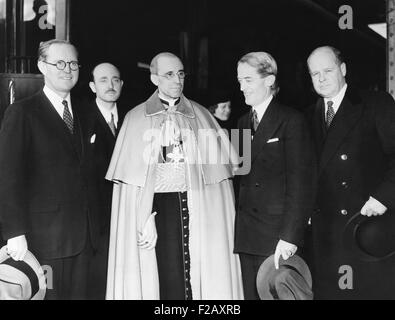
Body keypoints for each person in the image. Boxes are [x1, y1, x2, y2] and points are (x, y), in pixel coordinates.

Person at [105, 52, 243, 300]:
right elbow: (133, 187)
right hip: (159, 213)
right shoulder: (136, 118)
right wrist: (143, 217)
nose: (177, 80)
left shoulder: (201, 116)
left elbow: (220, 184)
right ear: (154, 78)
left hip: (196, 211)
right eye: (169, 74)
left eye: (180, 74)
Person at [0, 39, 99, 300]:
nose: (68, 69)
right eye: (60, 63)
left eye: (74, 63)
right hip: (43, 240)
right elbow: (8, 177)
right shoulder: (22, 112)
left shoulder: (87, 112)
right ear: (42, 66)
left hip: (84, 239)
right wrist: (14, 233)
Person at [306, 46, 395, 299]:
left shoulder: (375, 104)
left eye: (328, 70)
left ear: (343, 70)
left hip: (366, 228)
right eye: (315, 74)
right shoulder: (305, 117)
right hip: (325, 240)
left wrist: (383, 197)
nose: (321, 78)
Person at [234, 51, 315, 300]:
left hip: (277, 237)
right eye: (239, 81)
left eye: (248, 80)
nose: (242, 87)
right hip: (248, 237)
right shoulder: (241, 123)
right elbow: (242, 178)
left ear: (269, 80)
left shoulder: (292, 120)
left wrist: (290, 236)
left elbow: (301, 183)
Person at [80, 62, 128, 299]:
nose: (110, 85)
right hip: (95, 224)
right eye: (103, 80)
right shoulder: (80, 119)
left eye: (115, 80)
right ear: (91, 86)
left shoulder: (133, 118)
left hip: (127, 217)